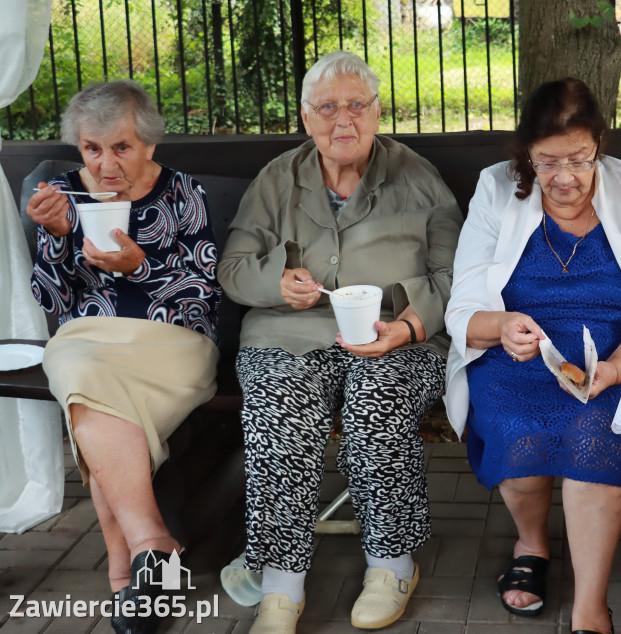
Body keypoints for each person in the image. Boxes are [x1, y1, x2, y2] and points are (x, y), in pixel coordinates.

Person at [218, 50, 463, 633]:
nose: (343, 120)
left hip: (399, 339)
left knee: (377, 405)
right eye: (327, 107)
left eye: (357, 105)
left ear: (378, 113)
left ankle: (391, 565)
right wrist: (276, 281)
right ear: (306, 118)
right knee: (280, 412)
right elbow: (233, 269)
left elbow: (458, 278)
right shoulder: (279, 178)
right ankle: (280, 584)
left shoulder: (418, 177)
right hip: (288, 336)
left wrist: (406, 327)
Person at [444, 78, 621, 634]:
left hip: (618, 351)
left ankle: (590, 606)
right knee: (517, 426)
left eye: (579, 160)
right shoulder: (494, 189)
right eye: (546, 162)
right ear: (525, 155)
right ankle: (531, 543)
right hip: (518, 351)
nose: (562, 178)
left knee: (593, 435)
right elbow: (463, 302)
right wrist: (501, 325)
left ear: (599, 144)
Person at [26, 80, 221, 634]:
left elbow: (206, 290)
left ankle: (125, 560)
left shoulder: (183, 191)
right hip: (87, 339)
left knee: (85, 395)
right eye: (92, 148)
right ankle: (150, 545)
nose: (106, 163)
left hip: (174, 344)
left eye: (122, 147)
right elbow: (50, 301)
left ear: (150, 145)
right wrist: (59, 238)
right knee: (81, 369)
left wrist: (137, 268)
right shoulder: (60, 196)